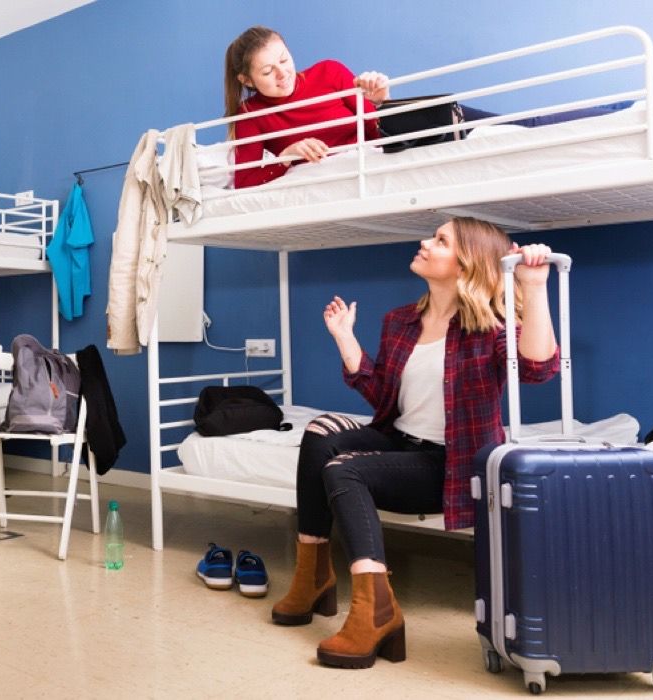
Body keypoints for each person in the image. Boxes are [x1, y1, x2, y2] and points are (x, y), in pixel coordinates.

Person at [269, 217, 560, 669]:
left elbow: (538, 369)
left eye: (440, 240)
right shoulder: (401, 321)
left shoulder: (490, 326)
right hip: (399, 442)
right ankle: (314, 578)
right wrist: (346, 340)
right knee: (319, 432)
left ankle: (376, 611)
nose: (425, 242)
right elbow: (385, 397)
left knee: (343, 469)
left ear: (467, 264)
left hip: (449, 464)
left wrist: (536, 287)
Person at [223, 26, 632, 189]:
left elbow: (372, 116)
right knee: (509, 134)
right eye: (266, 71)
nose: (282, 74)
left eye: (284, 59)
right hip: (385, 153)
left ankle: (623, 112)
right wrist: (289, 156)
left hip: (394, 130)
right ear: (246, 81)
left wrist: (376, 96)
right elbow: (242, 181)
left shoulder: (329, 72)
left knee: (521, 123)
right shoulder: (252, 115)